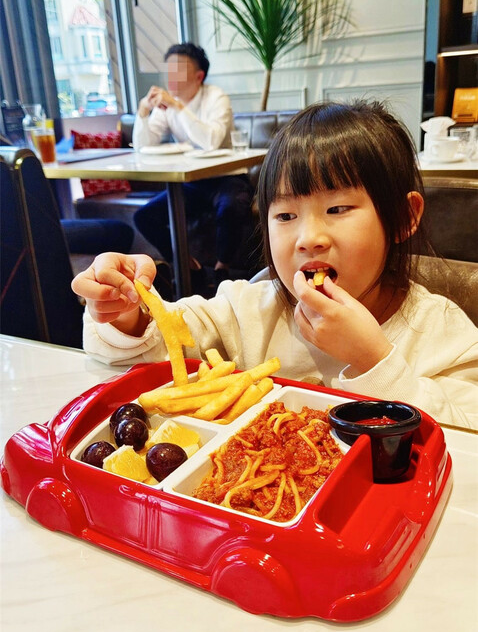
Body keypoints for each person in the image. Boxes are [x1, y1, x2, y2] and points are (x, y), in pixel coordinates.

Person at [71, 100, 478, 430]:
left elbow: (466, 438)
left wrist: (373, 360)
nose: (308, 238)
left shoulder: (441, 332)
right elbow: (152, 351)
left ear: (403, 218)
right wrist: (126, 312)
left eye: (337, 209)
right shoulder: (248, 310)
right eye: (285, 216)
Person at [132, 42, 255, 292]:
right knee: (144, 217)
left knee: (230, 207)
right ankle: (188, 266)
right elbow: (142, 145)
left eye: (178, 69)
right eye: (169, 69)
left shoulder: (216, 97)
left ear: (199, 76)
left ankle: (221, 270)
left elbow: (211, 141)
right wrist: (143, 113)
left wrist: (178, 107)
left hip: (227, 176)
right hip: (192, 182)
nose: (171, 75)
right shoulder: (167, 105)